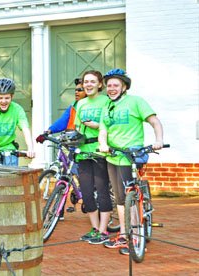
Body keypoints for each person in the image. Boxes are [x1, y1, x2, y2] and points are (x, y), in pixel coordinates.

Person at [98, 68, 164, 252]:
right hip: (113, 155)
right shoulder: (107, 106)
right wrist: (103, 143)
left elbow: (154, 121)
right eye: (109, 85)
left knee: (130, 195)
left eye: (116, 85)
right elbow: (103, 130)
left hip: (132, 155)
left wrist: (159, 140)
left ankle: (136, 237)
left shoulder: (136, 102)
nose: (111, 88)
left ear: (124, 87)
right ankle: (124, 234)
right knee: (120, 198)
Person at [68, 71, 113, 244]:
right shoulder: (80, 104)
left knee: (102, 191)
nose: (88, 85)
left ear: (100, 84)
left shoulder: (106, 101)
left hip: (99, 151)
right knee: (86, 193)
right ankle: (95, 228)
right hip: (83, 152)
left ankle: (103, 230)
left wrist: (97, 125)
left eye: (92, 82)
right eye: (86, 82)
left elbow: (110, 124)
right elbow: (77, 126)